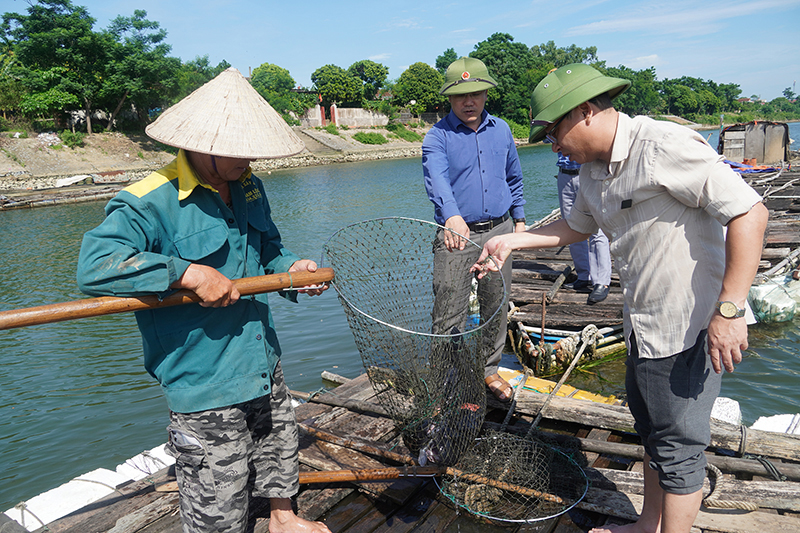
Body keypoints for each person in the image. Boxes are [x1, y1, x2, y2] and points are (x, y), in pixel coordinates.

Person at [472, 64, 768, 533]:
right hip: (643, 325)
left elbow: (750, 212)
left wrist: (729, 310)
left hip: (690, 326)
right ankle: (648, 526)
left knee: (679, 448)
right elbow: (578, 227)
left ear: (586, 111)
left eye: (553, 131)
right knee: (651, 434)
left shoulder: (663, 145)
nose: (551, 143)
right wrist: (512, 241)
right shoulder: (590, 172)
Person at [76, 68, 331, 533]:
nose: (251, 161)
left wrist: (293, 272)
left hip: (259, 355)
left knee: (277, 443)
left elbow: (270, 249)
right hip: (204, 376)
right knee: (219, 500)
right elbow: (95, 266)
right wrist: (186, 272)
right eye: (242, 150)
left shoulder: (249, 184)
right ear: (204, 145)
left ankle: (283, 518)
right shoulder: (148, 201)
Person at [422, 57, 526, 403]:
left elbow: (514, 177)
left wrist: (520, 220)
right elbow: (436, 179)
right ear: (449, 99)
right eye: (461, 95)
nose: (469, 102)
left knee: (496, 303)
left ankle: (489, 369)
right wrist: (451, 215)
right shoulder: (437, 136)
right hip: (456, 236)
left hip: (500, 229)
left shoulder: (503, 129)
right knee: (449, 311)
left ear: (485, 94)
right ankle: (445, 382)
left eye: (476, 93)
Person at [555, 151, 611, 303]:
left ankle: (601, 281)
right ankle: (583, 276)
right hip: (564, 174)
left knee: (597, 230)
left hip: (588, 173)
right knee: (572, 227)